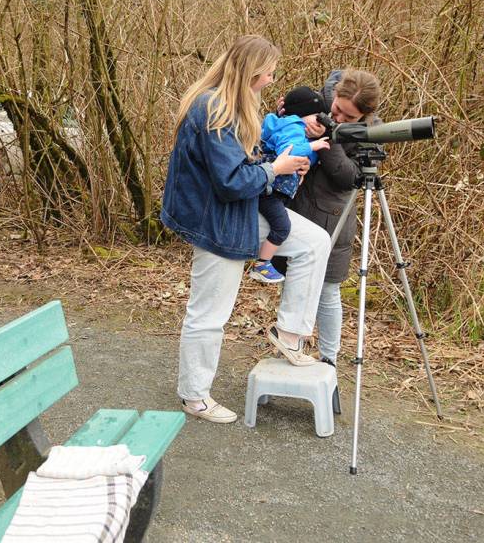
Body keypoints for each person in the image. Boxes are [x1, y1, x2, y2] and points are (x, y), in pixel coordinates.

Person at [161, 35, 332, 424]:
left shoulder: (236, 105)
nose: (272, 80)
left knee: (314, 243)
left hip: (238, 211)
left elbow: (242, 166)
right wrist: (276, 170)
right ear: (252, 71)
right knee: (209, 313)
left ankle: (289, 335)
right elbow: (230, 181)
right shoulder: (213, 109)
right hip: (216, 220)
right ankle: (194, 395)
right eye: (269, 72)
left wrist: (282, 162)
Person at [288, 68, 382, 367]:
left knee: (328, 292)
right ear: (336, 94)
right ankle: (290, 350)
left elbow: (351, 177)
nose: (339, 118)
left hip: (332, 219)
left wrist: (330, 138)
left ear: (365, 116)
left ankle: (329, 359)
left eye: (349, 118)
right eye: (338, 110)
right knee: (294, 286)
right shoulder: (315, 102)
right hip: (295, 207)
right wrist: (289, 114)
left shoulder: (373, 131)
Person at [250, 85, 330, 284]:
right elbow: (290, 149)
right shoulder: (292, 127)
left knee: (278, 224)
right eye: (317, 117)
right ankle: (262, 264)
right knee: (282, 227)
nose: (320, 121)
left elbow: (305, 156)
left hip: (272, 189)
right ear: (302, 115)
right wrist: (314, 145)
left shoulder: (290, 126)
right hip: (270, 191)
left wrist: (309, 159)